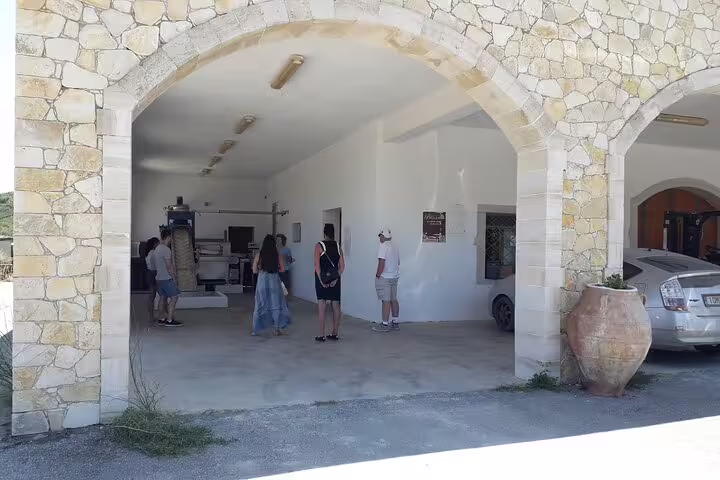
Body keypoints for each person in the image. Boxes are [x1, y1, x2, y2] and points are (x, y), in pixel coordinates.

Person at [252, 234, 291, 336]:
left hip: (262, 280)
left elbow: (254, 271)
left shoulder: (259, 255)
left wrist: (261, 269)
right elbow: (282, 269)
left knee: (260, 303)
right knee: (276, 304)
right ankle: (277, 329)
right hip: (274, 280)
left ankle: (255, 330)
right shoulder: (277, 255)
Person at [314, 224, 345, 342]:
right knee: (336, 305)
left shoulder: (319, 246)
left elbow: (317, 265)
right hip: (335, 279)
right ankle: (335, 333)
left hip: (321, 278)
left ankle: (321, 335)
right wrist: (335, 278)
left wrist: (321, 280)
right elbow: (342, 266)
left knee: (322, 305)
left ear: (324, 233)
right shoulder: (338, 246)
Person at [154, 229, 183, 327]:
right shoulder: (166, 249)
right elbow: (169, 266)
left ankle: (161, 318)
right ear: (169, 237)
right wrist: (174, 278)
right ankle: (170, 320)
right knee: (174, 297)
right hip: (166, 278)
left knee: (162, 298)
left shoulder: (157, 248)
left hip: (158, 278)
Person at [373, 227, 400, 332]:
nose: (379, 238)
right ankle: (395, 323)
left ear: (383, 235)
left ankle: (384, 325)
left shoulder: (383, 246)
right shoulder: (395, 245)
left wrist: (377, 275)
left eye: (380, 236)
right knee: (394, 299)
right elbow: (398, 262)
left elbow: (381, 262)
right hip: (395, 276)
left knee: (386, 301)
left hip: (385, 277)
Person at [144, 237, 160, 321]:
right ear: (154, 244)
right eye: (158, 243)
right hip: (153, 274)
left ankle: (151, 315)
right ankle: (152, 316)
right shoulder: (154, 253)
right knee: (155, 295)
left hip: (149, 273)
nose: (159, 245)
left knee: (152, 296)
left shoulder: (149, 253)